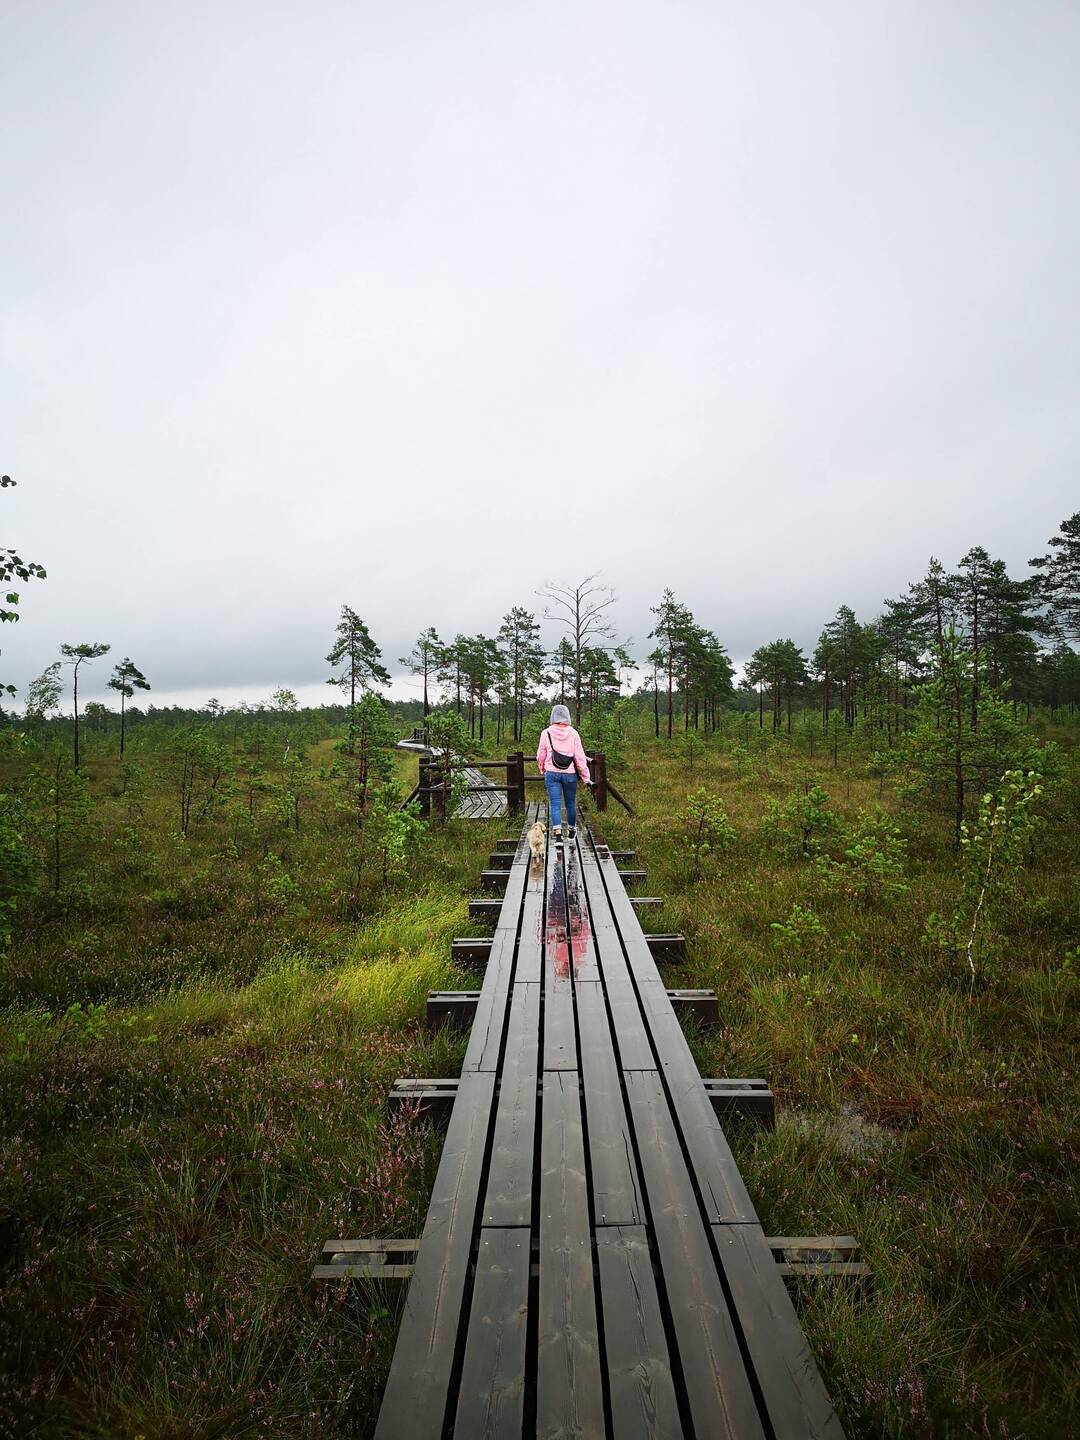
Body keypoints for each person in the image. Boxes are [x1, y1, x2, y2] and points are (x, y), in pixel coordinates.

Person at [537, 703, 591, 839]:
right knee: (571, 803)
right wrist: (585, 777)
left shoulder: (546, 733)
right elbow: (579, 756)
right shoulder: (573, 733)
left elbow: (541, 754)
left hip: (551, 773)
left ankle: (558, 834)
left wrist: (542, 767)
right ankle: (572, 831)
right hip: (570, 774)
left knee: (555, 804)